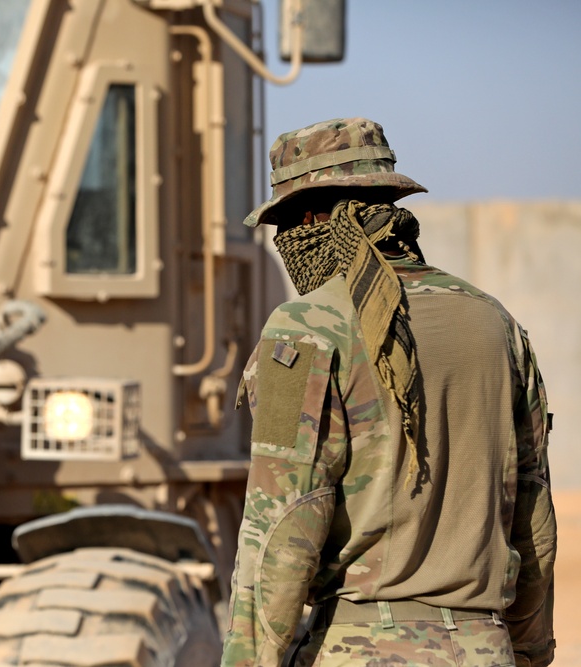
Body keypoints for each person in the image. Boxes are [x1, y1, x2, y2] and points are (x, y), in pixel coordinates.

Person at [220, 118, 556, 666]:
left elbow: (282, 524)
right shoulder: (494, 322)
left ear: (309, 217)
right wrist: (529, 654)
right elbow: (533, 517)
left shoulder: (308, 326)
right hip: (484, 650)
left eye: (285, 224)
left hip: (362, 649)